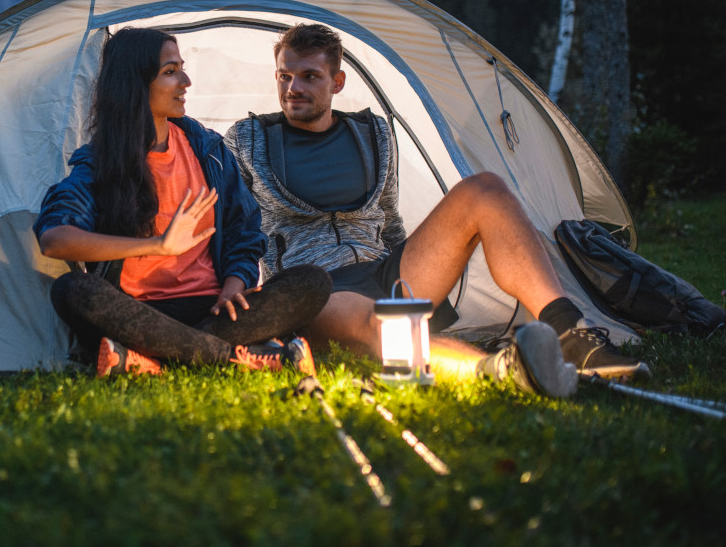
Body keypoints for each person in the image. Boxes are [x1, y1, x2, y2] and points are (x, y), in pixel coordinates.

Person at [224, 23, 649, 397]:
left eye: (308, 77)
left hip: (384, 267)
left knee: (485, 188)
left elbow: (389, 221)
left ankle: (571, 334)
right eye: (284, 76)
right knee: (386, 324)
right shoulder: (248, 140)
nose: (292, 88)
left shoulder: (374, 134)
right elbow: (236, 228)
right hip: (316, 287)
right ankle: (501, 371)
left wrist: (414, 269)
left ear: (337, 82)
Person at [35, 27, 331, 377]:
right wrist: (158, 245)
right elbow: (54, 239)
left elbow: (244, 233)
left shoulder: (209, 151)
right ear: (136, 83)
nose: (186, 81)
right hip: (136, 312)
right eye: (170, 72)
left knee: (312, 281)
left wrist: (234, 286)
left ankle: (146, 359)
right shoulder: (101, 162)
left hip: (213, 310)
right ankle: (237, 358)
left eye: (181, 68)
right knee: (72, 289)